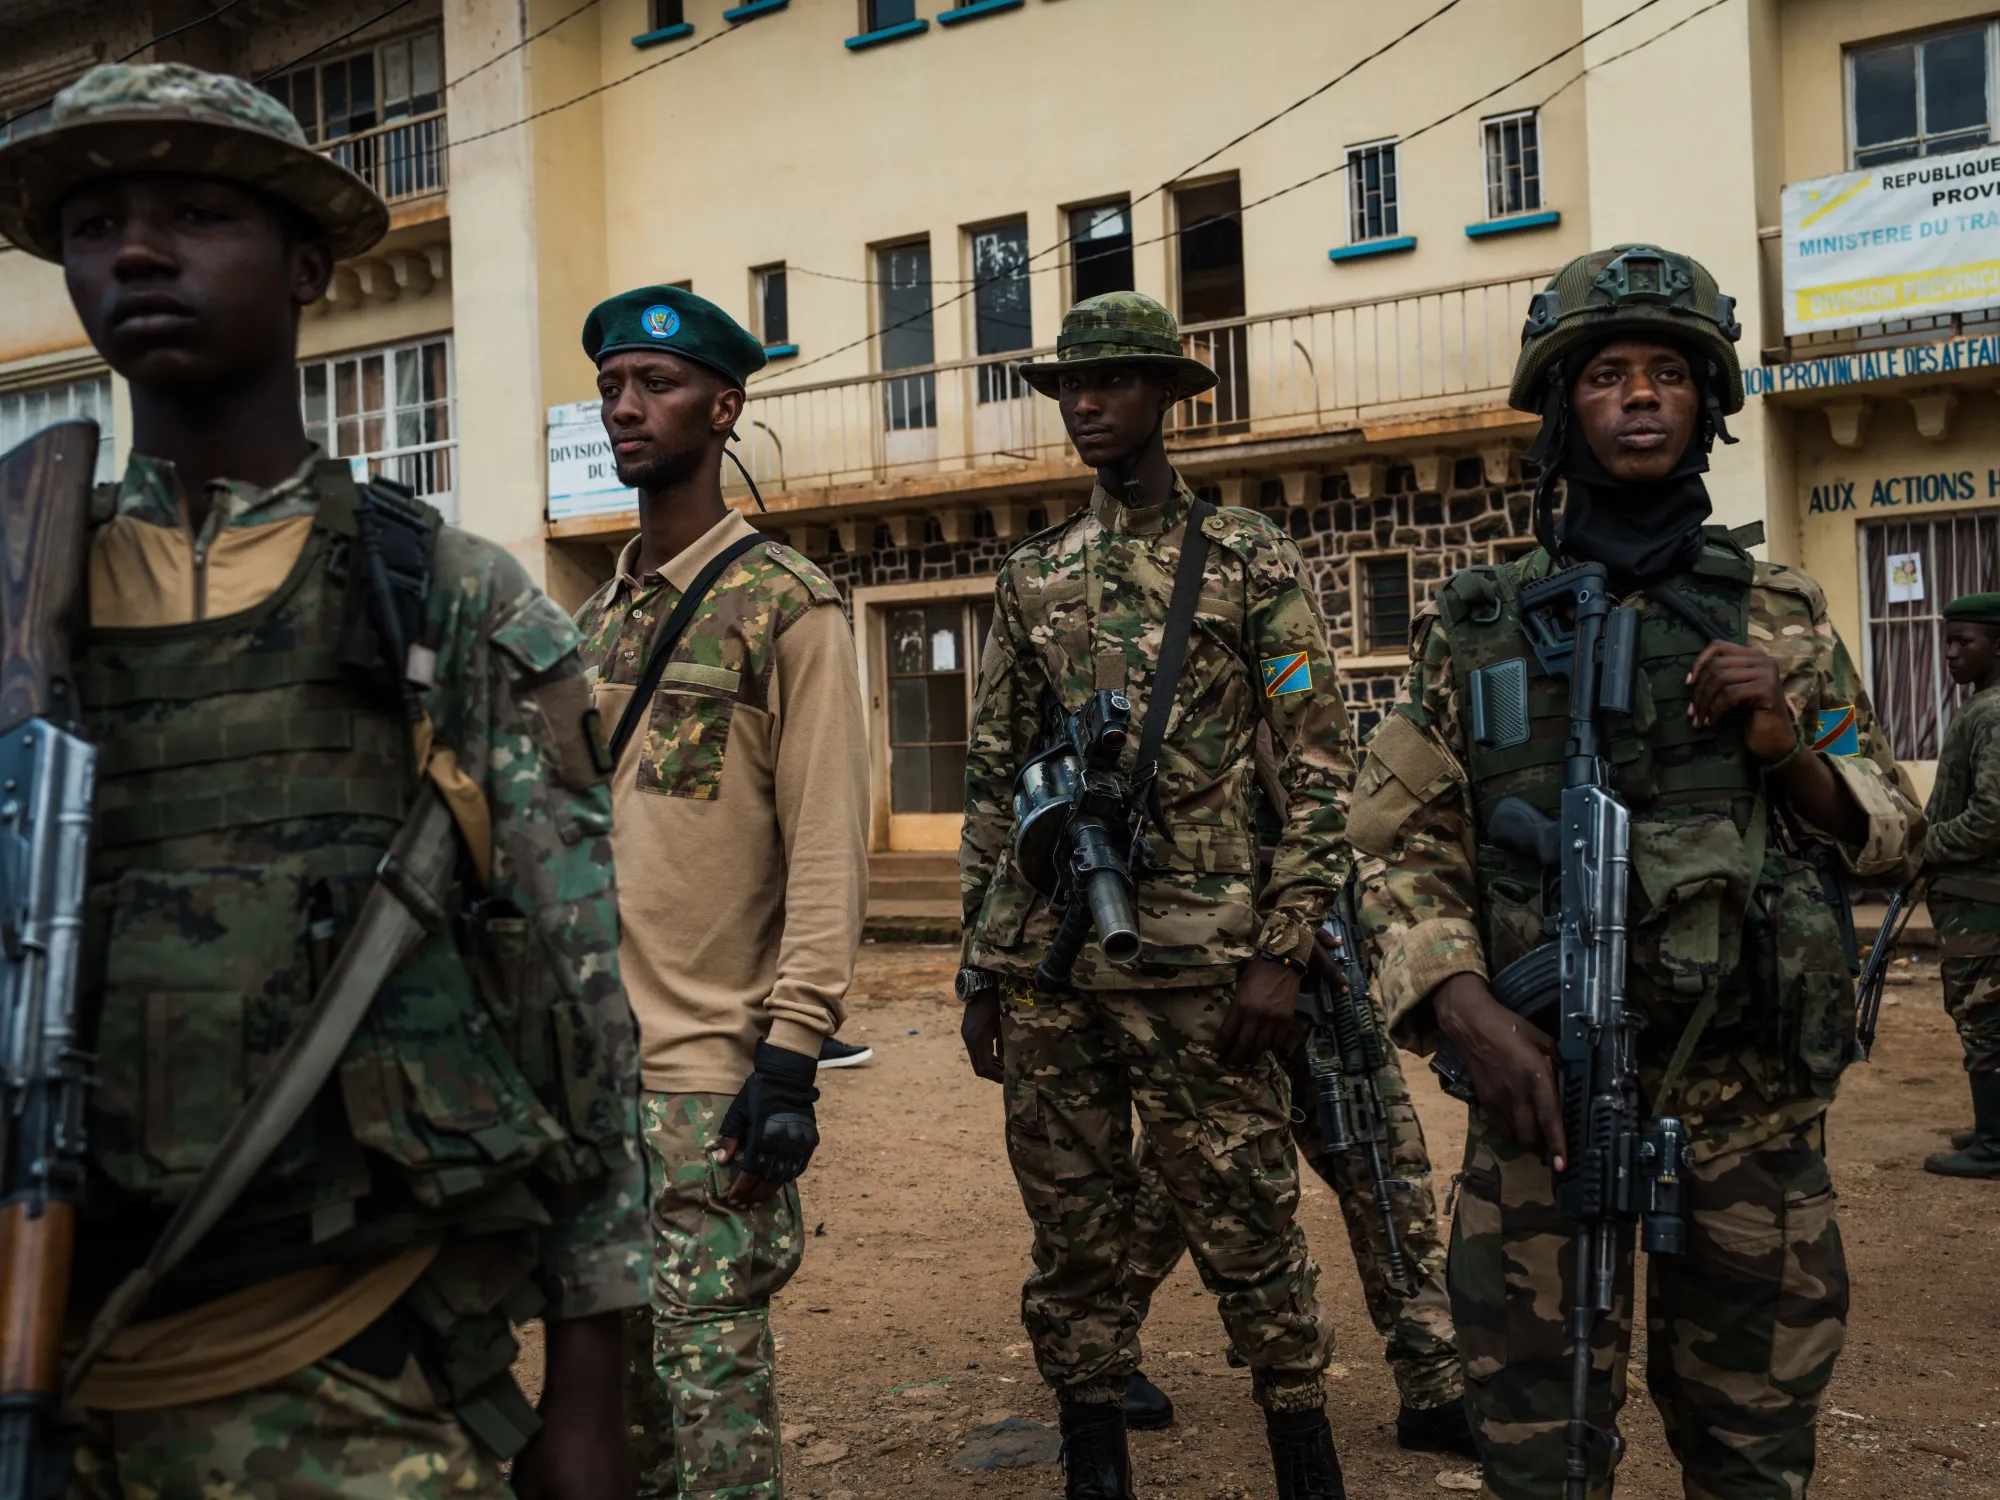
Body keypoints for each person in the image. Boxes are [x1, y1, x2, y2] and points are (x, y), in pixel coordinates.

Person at [0, 62, 645, 1498]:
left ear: (305, 265)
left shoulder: (450, 602)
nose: (137, 252)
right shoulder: (18, 605)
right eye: (96, 221)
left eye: (192, 212)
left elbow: (576, 1007)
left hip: (356, 1375)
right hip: (45, 1366)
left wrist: (592, 1394)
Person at [1353, 244, 1924, 1499]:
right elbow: (1394, 849)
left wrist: (1787, 751)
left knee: (1749, 1451)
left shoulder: (1776, 612)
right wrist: (1461, 1004)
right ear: (1564, 410)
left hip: (1750, 1111)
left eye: (1667, 372)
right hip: (1541, 1103)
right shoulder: (1478, 625)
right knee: (1537, 1449)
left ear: (1704, 406)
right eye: (1606, 375)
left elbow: (1886, 826)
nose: (1640, 396)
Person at [957, 291, 1355, 1500]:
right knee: (1072, 1233)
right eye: (1072, 386)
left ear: (1166, 400)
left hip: (1207, 965)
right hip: (1054, 967)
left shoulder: (1244, 558)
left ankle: (1303, 1453)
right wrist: (980, 966)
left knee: (1245, 1223)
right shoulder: (1030, 576)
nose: (1086, 403)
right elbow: (990, 777)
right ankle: (1092, 1461)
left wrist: (1286, 949)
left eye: (1115, 383)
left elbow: (1322, 761)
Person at [571, 285, 870, 1500]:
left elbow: (827, 844)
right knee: (623, 1411)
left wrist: (790, 1055)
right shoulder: (592, 618)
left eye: (655, 383)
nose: (625, 407)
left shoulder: (787, 605)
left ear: (725, 404)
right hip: (594, 1078)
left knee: (712, 1414)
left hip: (708, 1082)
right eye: (610, 387)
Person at [1121, 730, 1472, 1455]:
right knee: (1185, 1163)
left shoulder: (1300, 682)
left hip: (1325, 956)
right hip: (1215, 967)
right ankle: (1100, 1343)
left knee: (1384, 1157)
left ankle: (1435, 1380)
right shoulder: (1181, 680)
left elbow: (1356, 810)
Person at [1921, 592, 2000, 1178]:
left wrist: (1922, 847)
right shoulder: (1982, 706)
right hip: (1974, 896)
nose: (1949, 654)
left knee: (1982, 1015)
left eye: (1962, 642)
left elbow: (1992, 814)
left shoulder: (1993, 713)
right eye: (1946, 641)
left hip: (1982, 899)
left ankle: (1993, 1148)